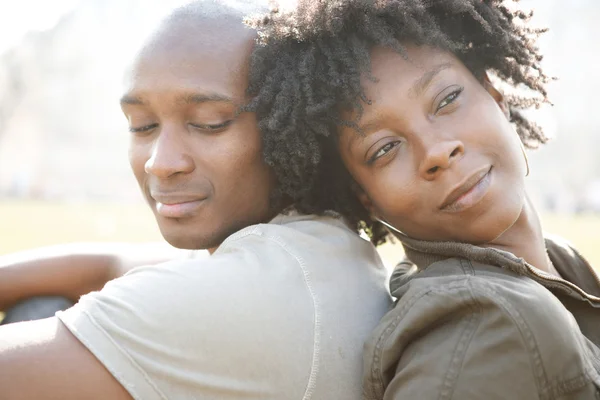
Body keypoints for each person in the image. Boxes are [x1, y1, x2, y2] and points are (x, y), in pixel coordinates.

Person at [0, 2, 391, 399]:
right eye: (143, 126)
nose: (160, 162)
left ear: (290, 127)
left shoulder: (254, 294)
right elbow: (108, 264)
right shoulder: (313, 251)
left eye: (208, 124)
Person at [243, 0, 600, 398]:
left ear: (495, 95)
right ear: (366, 199)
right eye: (384, 149)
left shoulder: (560, 263)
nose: (435, 152)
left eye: (446, 100)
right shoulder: (484, 331)